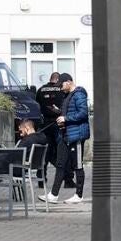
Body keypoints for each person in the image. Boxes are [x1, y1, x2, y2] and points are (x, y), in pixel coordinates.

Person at [43, 72, 89, 204]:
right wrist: (59, 114)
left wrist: (66, 118)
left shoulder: (79, 94)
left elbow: (83, 113)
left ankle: (79, 195)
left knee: (77, 165)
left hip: (76, 135)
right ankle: (53, 194)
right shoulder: (68, 95)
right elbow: (70, 111)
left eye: (61, 85)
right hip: (66, 134)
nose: (60, 88)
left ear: (68, 82)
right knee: (60, 163)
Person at [35, 71, 64, 177]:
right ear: (58, 80)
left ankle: (41, 175)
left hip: (45, 124)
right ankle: (64, 175)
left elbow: (37, 105)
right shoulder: (61, 90)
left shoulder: (41, 90)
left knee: (45, 151)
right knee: (61, 150)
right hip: (58, 123)